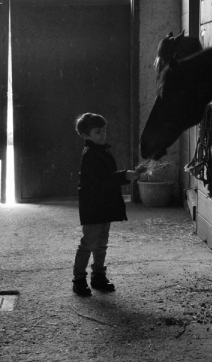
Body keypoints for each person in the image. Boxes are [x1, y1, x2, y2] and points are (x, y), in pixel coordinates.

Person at [72, 113, 141, 296]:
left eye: (104, 130)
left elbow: (107, 178)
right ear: (86, 135)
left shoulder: (102, 150)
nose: (103, 135)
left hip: (103, 204)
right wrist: (124, 176)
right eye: (98, 132)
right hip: (93, 206)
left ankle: (98, 276)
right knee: (88, 243)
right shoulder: (90, 155)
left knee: (102, 242)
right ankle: (79, 279)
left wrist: (124, 175)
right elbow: (102, 180)